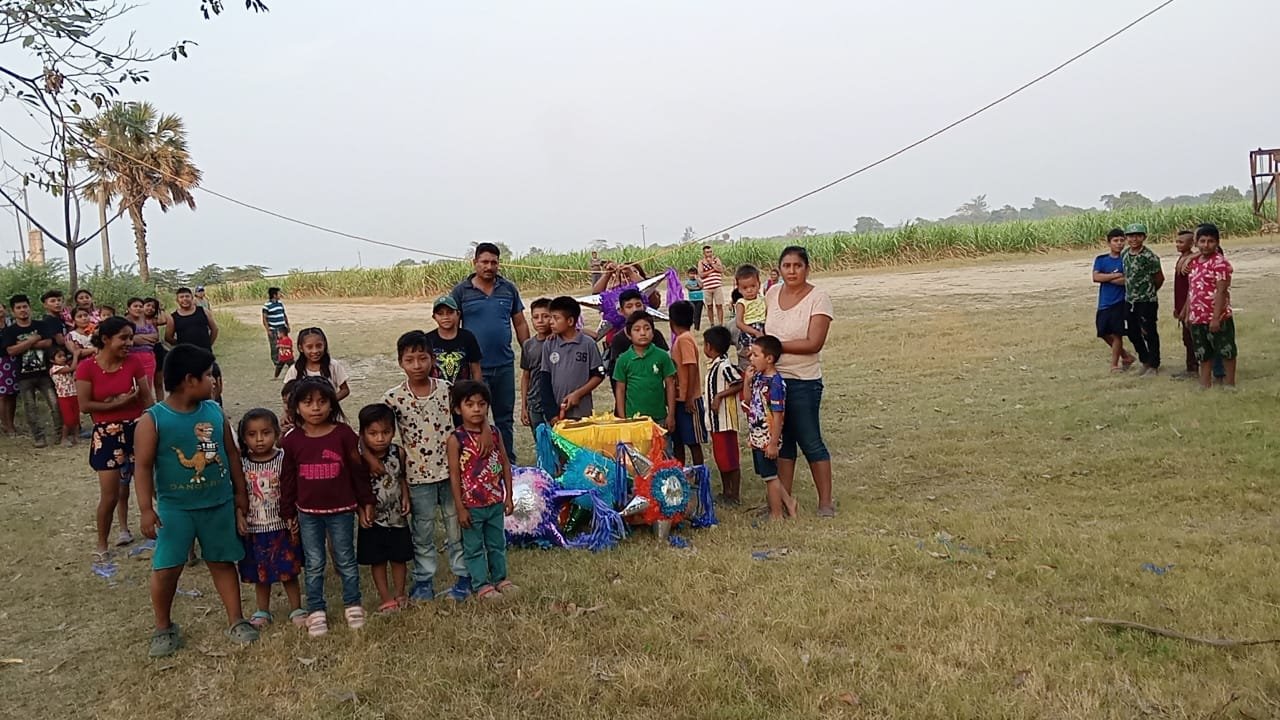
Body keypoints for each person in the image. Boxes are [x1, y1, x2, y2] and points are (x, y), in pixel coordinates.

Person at [132, 343, 258, 657]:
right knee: (167, 568)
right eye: (207, 376)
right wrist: (147, 509)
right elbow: (143, 467)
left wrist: (240, 495)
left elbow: (231, 455)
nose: (213, 381)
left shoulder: (214, 411)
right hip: (176, 509)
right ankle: (163, 627)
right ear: (190, 380)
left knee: (222, 561)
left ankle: (236, 620)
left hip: (218, 503)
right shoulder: (153, 420)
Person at [280, 377, 375, 637]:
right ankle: (316, 610)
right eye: (308, 402)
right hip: (307, 513)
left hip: (342, 511)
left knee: (345, 559)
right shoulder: (291, 440)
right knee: (314, 562)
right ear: (296, 407)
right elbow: (287, 479)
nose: (316, 408)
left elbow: (358, 470)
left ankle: (353, 604)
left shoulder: (344, 434)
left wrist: (366, 501)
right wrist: (287, 511)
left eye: (322, 402)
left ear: (332, 404)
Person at [382, 331, 471, 603]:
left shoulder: (447, 389)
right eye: (410, 360)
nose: (417, 365)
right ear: (400, 363)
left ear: (433, 359)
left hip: (450, 473)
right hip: (417, 477)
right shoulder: (393, 398)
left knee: (455, 526)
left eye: (423, 358)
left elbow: (465, 422)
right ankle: (423, 580)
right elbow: (383, 437)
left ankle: (464, 576)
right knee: (422, 531)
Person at [765, 246, 835, 517]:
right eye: (787, 266)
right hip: (774, 381)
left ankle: (825, 503)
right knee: (782, 442)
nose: (792, 271)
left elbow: (813, 343)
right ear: (780, 268)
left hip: (803, 381)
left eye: (797, 266)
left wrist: (775, 347)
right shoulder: (772, 293)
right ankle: (782, 501)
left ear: (807, 268)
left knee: (810, 439)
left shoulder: (819, 298)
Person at [76, 316, 154, 556]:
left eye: (131, 337)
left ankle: (160, 531)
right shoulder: (86, 367)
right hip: (106, 435)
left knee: (152, 487)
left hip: (137, 429)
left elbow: (147, 399)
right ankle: (102, 543)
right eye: (123, 338)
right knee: (110, 495)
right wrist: (120, 403)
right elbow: (85, 405)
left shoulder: (133, 363)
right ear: (106, 339)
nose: (129, 342)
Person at [452, 242, 530, 463]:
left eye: (493, 262)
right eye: (484, 262)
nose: (489, 266)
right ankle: (478, 464)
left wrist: (529, 352)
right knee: (476, 417)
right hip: (475, 368)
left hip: (504, 365)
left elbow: (520, 323)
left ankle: (508, 464)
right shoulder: (461, 291)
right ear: (474, 263)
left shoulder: (508, 289)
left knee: (505, 419)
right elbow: (453, 327)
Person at [447, 380, 516, 602]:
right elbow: (455, 475)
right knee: (474, 547)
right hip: (471, 506)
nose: (477, 409)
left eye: (481, 404)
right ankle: (481, 584)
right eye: (470, 404)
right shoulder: (456, 439)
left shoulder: (494, 433)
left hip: (495, 501)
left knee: (497, 543)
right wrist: (460, 507)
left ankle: (500, 578)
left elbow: (505, 463)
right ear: (458, 409)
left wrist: (509, 496)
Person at [236, 408, 304, 629]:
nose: (259, 439)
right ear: (243, 437)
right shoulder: (242, 464)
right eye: (252, 434)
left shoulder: (284, 459)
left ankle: (297, 608)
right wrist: (239, 515)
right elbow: (237, 493)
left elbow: (294, 490)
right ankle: (262, 611)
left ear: (276, 433)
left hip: (281, 526)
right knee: (260, 574)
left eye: (265, 433)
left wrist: (294, 516)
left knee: (288, 572)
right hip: (255, 528)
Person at [353, 404, 412, 614]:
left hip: (397, 517)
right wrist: (360, 511)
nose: (380, 438)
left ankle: (400, 593)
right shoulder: (360, 460)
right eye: (373, 433)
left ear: (393, 432)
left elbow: (401, 477)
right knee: (377, 560)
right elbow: (357, 488)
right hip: (373, 519)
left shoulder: (399, 453)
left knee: (399, 557)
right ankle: (386, 598)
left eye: (386, 432)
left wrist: (406, 496)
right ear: (363, 434)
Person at [743, 336, 798, 519]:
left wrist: (773, 443)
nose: (751, 358)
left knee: (770, 477)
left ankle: (776, 514)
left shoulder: (775, 383)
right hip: (757, 434)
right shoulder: (758, 377)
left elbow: (778, 415)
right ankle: (789, 502)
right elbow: (748, 401)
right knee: (767, 474)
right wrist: (747, 382)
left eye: (755, 355)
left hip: (768, 436)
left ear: (769, 358)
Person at [2, 294, 61, 447]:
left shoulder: (40, 325)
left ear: (30, 308)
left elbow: (48, 342)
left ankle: (60, 435)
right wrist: (33, 339)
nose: (22, 310)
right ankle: (39, 437)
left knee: (55, 404)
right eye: (18, 308)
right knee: (30, 409)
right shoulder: (10, 331)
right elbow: (11, 351)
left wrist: (23, 344)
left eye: (25, 306)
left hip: (44, 373)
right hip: (23, 376)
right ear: (13, 311)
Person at [1184, 223, 1237, 389]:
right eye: (1203, 241)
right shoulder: (1194, 263)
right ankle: (1205, 384)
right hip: (1197, 316)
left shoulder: (1220, 264)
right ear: (1197, 243)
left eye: (1211, 241)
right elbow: (1192, 290)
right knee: (1202, 353)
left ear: (1217, 242)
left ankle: (1229, 384)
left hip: (1217, 316)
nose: (1206, 245)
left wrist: (1215, 318)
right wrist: (1188, 313)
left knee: (1226, 350)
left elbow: (1221, 292)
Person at [1172, 230, 1226, 382]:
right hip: (1192, 307)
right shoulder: (1188, 260)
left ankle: (1217, 373)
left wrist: (1186, 309)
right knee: (1191, 339)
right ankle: (1195, 369)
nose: (1205, 244)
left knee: (1211, 341)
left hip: (1205, 307)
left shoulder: (1204, 260)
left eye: (1181, 242)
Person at [542, 296, 605, 421]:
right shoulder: (549, 344)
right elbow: (544, 379)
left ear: (570, 321)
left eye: (556, 318)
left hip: (582, 412)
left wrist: (578, 394)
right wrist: (551, 413)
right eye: (550, 317)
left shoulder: (588, 344)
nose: (551, 322)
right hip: (557, 413)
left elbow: (599, 375)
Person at [612, 311, 676, 430]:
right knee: (637, 449)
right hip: (633, 419)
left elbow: (670, 385)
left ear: (653, 332)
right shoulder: (623, 359)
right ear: (629, 334)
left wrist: (671, 415)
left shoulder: (662, 356)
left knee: (663, 448)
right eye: (637, 329)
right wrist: (622, 419)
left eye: (647, 329)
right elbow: (620, 389)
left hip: (659, 417)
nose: (642, 333)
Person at [703, 325, 743, 505]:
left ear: (709, 346)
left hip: (725, 421)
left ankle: (734, 494)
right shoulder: (713, 366)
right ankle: (726, 491)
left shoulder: (724, 366)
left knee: (730, 458)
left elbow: (738, 383)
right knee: (721, 458)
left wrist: (719, 396)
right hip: (715, 422)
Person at [605, 289, 669, 393]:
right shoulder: (618, 339)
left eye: (638, 305)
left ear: (644, 307)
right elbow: (616, 377)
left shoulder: (655, 335)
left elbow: (667, 369)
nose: (635, 309)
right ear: (621, 311)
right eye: (629, 306)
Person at [1092, 229, 1137, 372]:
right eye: (1115, 241)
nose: (1119, 243)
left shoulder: (1128, 259)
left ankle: (1114, 364)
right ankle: (1126, 356)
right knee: (1103, 332)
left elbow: (1127, 281)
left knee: (1117, 333)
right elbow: (1096, 277)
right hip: (1104, 302)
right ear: (1109, 243)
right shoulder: (1101, 259)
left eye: (1121, 240)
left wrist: (1107, 277)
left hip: (1120, 301)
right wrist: (1116, 275)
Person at [1122, 223, 1164, 377]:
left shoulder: (1149, 257)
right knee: (1132, 332)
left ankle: (1154, 364)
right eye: (1131, 236)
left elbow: (1159, 278)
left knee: (1149, 332)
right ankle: (1144, 360)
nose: (1134, 239)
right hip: (1130, 300)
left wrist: (1149, 292)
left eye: (1138, 236)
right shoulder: (1125, 254)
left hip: (1147, 300)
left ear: (1143, 237)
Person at [668, 300, 706, 467]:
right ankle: (680, 472)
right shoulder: (683, 339)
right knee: (678, 440)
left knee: (692, 441)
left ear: (671, 322)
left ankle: (699, 474)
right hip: (678, 398)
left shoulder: (684, 340)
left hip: (688, 399)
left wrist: (689, 396)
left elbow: (691, 366)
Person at [281, 327, 351, 401]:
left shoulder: (333, 365)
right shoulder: (295, 369)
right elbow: (287, 394)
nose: (315, 351)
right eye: (309, 347)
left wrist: (329, 402)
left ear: (324, 345)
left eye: (319, 346)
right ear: (301, 348)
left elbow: (345, 390)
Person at [426, 295, 482, 384]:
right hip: (437, 392)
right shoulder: (427, 339)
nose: (445, 317)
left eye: (450, 312)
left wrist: (477, 390)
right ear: (434, 317)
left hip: (462, 391)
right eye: (440, 313)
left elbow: (475, 368)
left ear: (458, 314)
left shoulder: (467, 337)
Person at [520, 298, 553, 438]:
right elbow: (526, 376)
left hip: (554, 402)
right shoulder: (528, 345)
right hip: (534, 403)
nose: (540, 321)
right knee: (541, 443)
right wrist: (524, 406)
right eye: (535, 317)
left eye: (546, 316)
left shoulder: (559, 341)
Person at [734, 265, 767, 370]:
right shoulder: (741, 303)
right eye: (745, 288)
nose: (749, 290)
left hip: (763, 329)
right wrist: (755, 332)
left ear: (759, 285)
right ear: (739, 289)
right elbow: (739, 323)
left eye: (753, 286)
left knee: (763, 358)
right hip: (749, 331)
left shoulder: (762, 299)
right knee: (750, 359)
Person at [165, 287, 217, 353]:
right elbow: (168, 338)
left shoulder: (204, 311)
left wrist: (208, 344)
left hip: (205, 353)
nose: (185, 299)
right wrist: (181, 345)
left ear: (192, 298)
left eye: (187, 296)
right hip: (185, 355)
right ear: (177, 300)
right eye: (181, 297)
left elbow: (215, 329)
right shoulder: (173, 317)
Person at [125, 298, 160, 393]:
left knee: (146, 388)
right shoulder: (124, 322)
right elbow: (127, 340)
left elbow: (156, 337)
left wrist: (137, 338)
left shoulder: (147, 321)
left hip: (148, 358)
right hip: (129, 357)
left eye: (140, 306)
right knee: (130, 388)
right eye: (135, 306)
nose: (138, 308)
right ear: (129, 308)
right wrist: (147, 338)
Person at [49, 347, 80, 447]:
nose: (63, 358)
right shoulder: (55, 369)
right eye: (59, 356)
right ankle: (64, 438)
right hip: (64, 397)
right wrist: (76, 355)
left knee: (76, 418)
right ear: (52, 360)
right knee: (68, 420)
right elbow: (72, 368)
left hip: (73, 394)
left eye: (63, 356)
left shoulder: (65, 366)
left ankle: (76, 437)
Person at [143, 299, 170, 400]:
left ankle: (160, 404)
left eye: (153, 307)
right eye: (148, 305)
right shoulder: (136, 320)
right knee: (145, 382)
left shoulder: (153, 320)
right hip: (143, 351)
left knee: (158, 382)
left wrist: (161, 309)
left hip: (157, 349)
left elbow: (163, 320)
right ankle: (147, 405)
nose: (150, 308)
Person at [261, 287, 290, 377]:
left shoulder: (280, 304)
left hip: (282, 328)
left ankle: (284, 360)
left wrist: (287, 324)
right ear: (274, 295)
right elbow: (264, 318)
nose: (280, 295)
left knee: (284, 345)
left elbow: (284, 314)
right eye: (279, 293)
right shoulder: (267, 306)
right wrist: (268, 329)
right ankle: (277, 362)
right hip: (273, 329)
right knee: (274, 346)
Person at [698, 245, 727, 327]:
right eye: (707, 252)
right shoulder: (701, 262)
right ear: (704, 253)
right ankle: (712, 323)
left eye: (710, 251)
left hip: (717, 286)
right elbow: (701, 274)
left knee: (719, 305)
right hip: (707, 287)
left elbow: (721, 270)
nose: (709, 253)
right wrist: (713, 270)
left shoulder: (716, 260)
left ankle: (720, 323)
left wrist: (712, 264)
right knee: (709, 306)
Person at [0, 304, 14, 435]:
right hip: (0, 361)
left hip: (12, 360)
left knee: (12, 394)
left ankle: (11, 423)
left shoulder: (11, 323)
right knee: (2, 395)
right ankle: (6, 425)